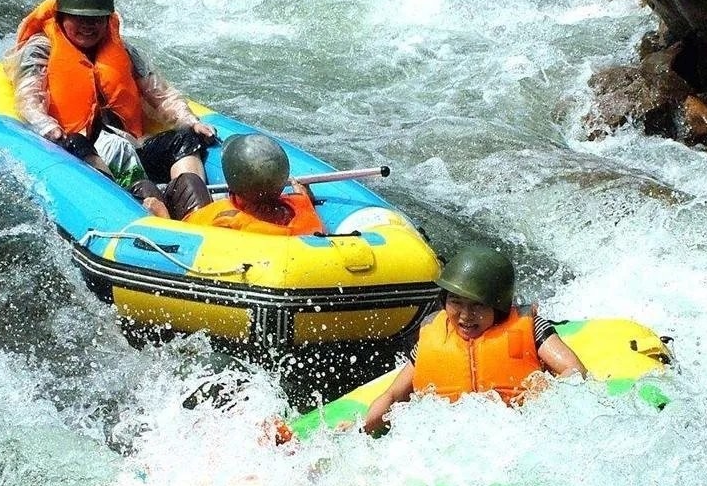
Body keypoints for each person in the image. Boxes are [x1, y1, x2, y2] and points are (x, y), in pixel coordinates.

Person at [5, 0, 216, 217]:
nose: (88, 26)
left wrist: (191, 122)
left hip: (129, 144)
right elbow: (29, 95)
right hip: (84, 146)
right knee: (74, 144)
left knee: (185, 139)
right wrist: (46, 126)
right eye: (79, 18)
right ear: (61, 18)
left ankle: (195, 208)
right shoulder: (41, 49)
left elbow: (160, 93)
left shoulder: (123, 51)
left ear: (108, 19)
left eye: (96, 19)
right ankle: (134, 203)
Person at [361, 244, 587, 435]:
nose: (465, 315)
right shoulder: (433, 338)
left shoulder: (529, 328)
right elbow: (392, 395)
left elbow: (574, 370)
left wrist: (541, 396)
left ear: (498, 307)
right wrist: (360, 429)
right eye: (455, 302)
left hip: (518, 432)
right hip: (452, 439)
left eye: (478, 305)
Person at [167, 134, 324, 235]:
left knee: (188, 181)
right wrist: (305, 196)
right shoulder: (302, 203)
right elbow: (300, 200)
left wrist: (162, 215)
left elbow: (181, 242)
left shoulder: (225, 225)